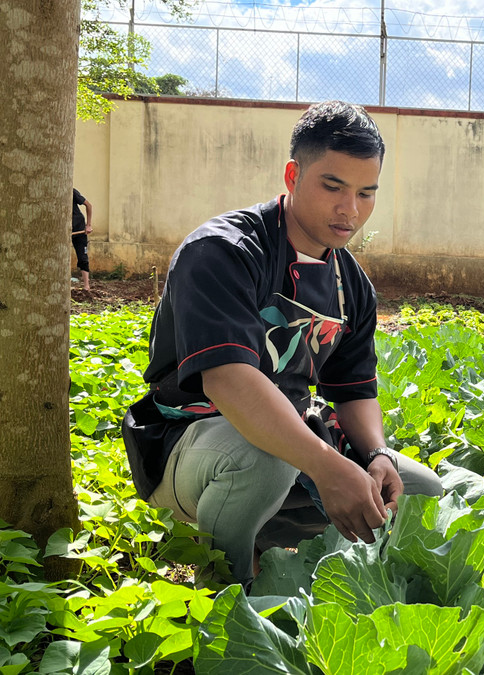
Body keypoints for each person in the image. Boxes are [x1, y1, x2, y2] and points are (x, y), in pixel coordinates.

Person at [122, 101, 443, 589]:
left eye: (365, 193)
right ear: (294, 175)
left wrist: (375, 454)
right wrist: (327, 466)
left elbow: (354, 390)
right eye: (332, 186)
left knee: (421, 491)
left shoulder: (351, 285)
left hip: (294, 439)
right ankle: (226, 597)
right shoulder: (222, 251)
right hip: (189, 441)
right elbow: (230, 383)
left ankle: (288, 564)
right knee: (261, 462)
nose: (349, 209)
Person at [72, 188, 92, 291]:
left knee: (82, 257)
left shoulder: (72, 192)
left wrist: (88, 225)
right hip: (63, 230)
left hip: (78, 228)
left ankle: (86, 286)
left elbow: (88, 205)